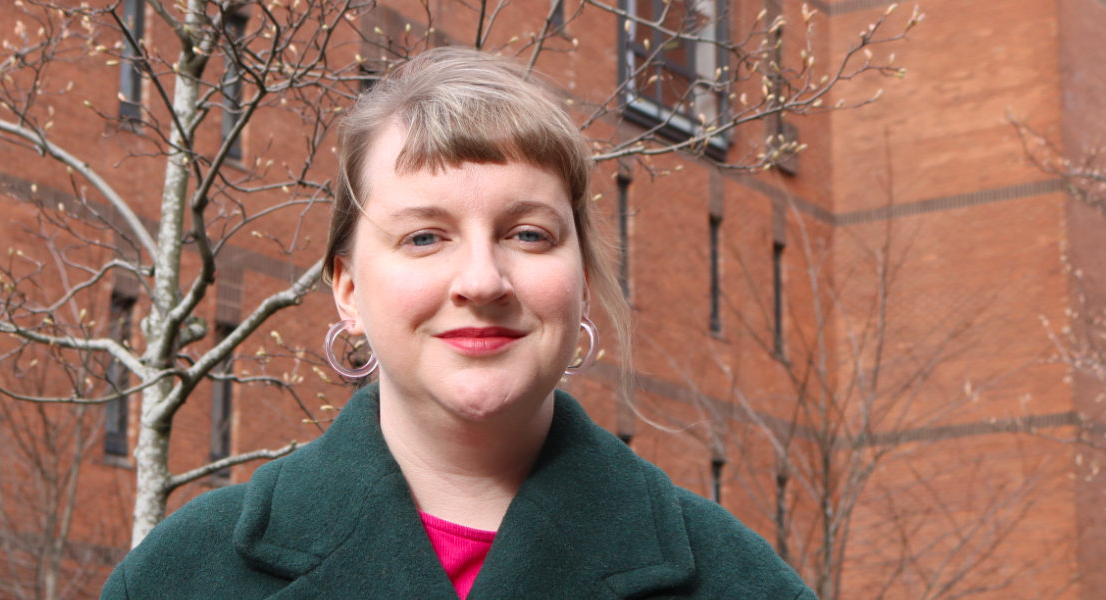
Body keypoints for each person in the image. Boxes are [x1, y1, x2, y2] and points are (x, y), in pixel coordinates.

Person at [99, 47, 817, 600]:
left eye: (528, 234)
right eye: (424, 237)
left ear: (584, 280)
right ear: (348, 288)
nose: (481, 280)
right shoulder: (179, 577)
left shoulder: (740, 581)